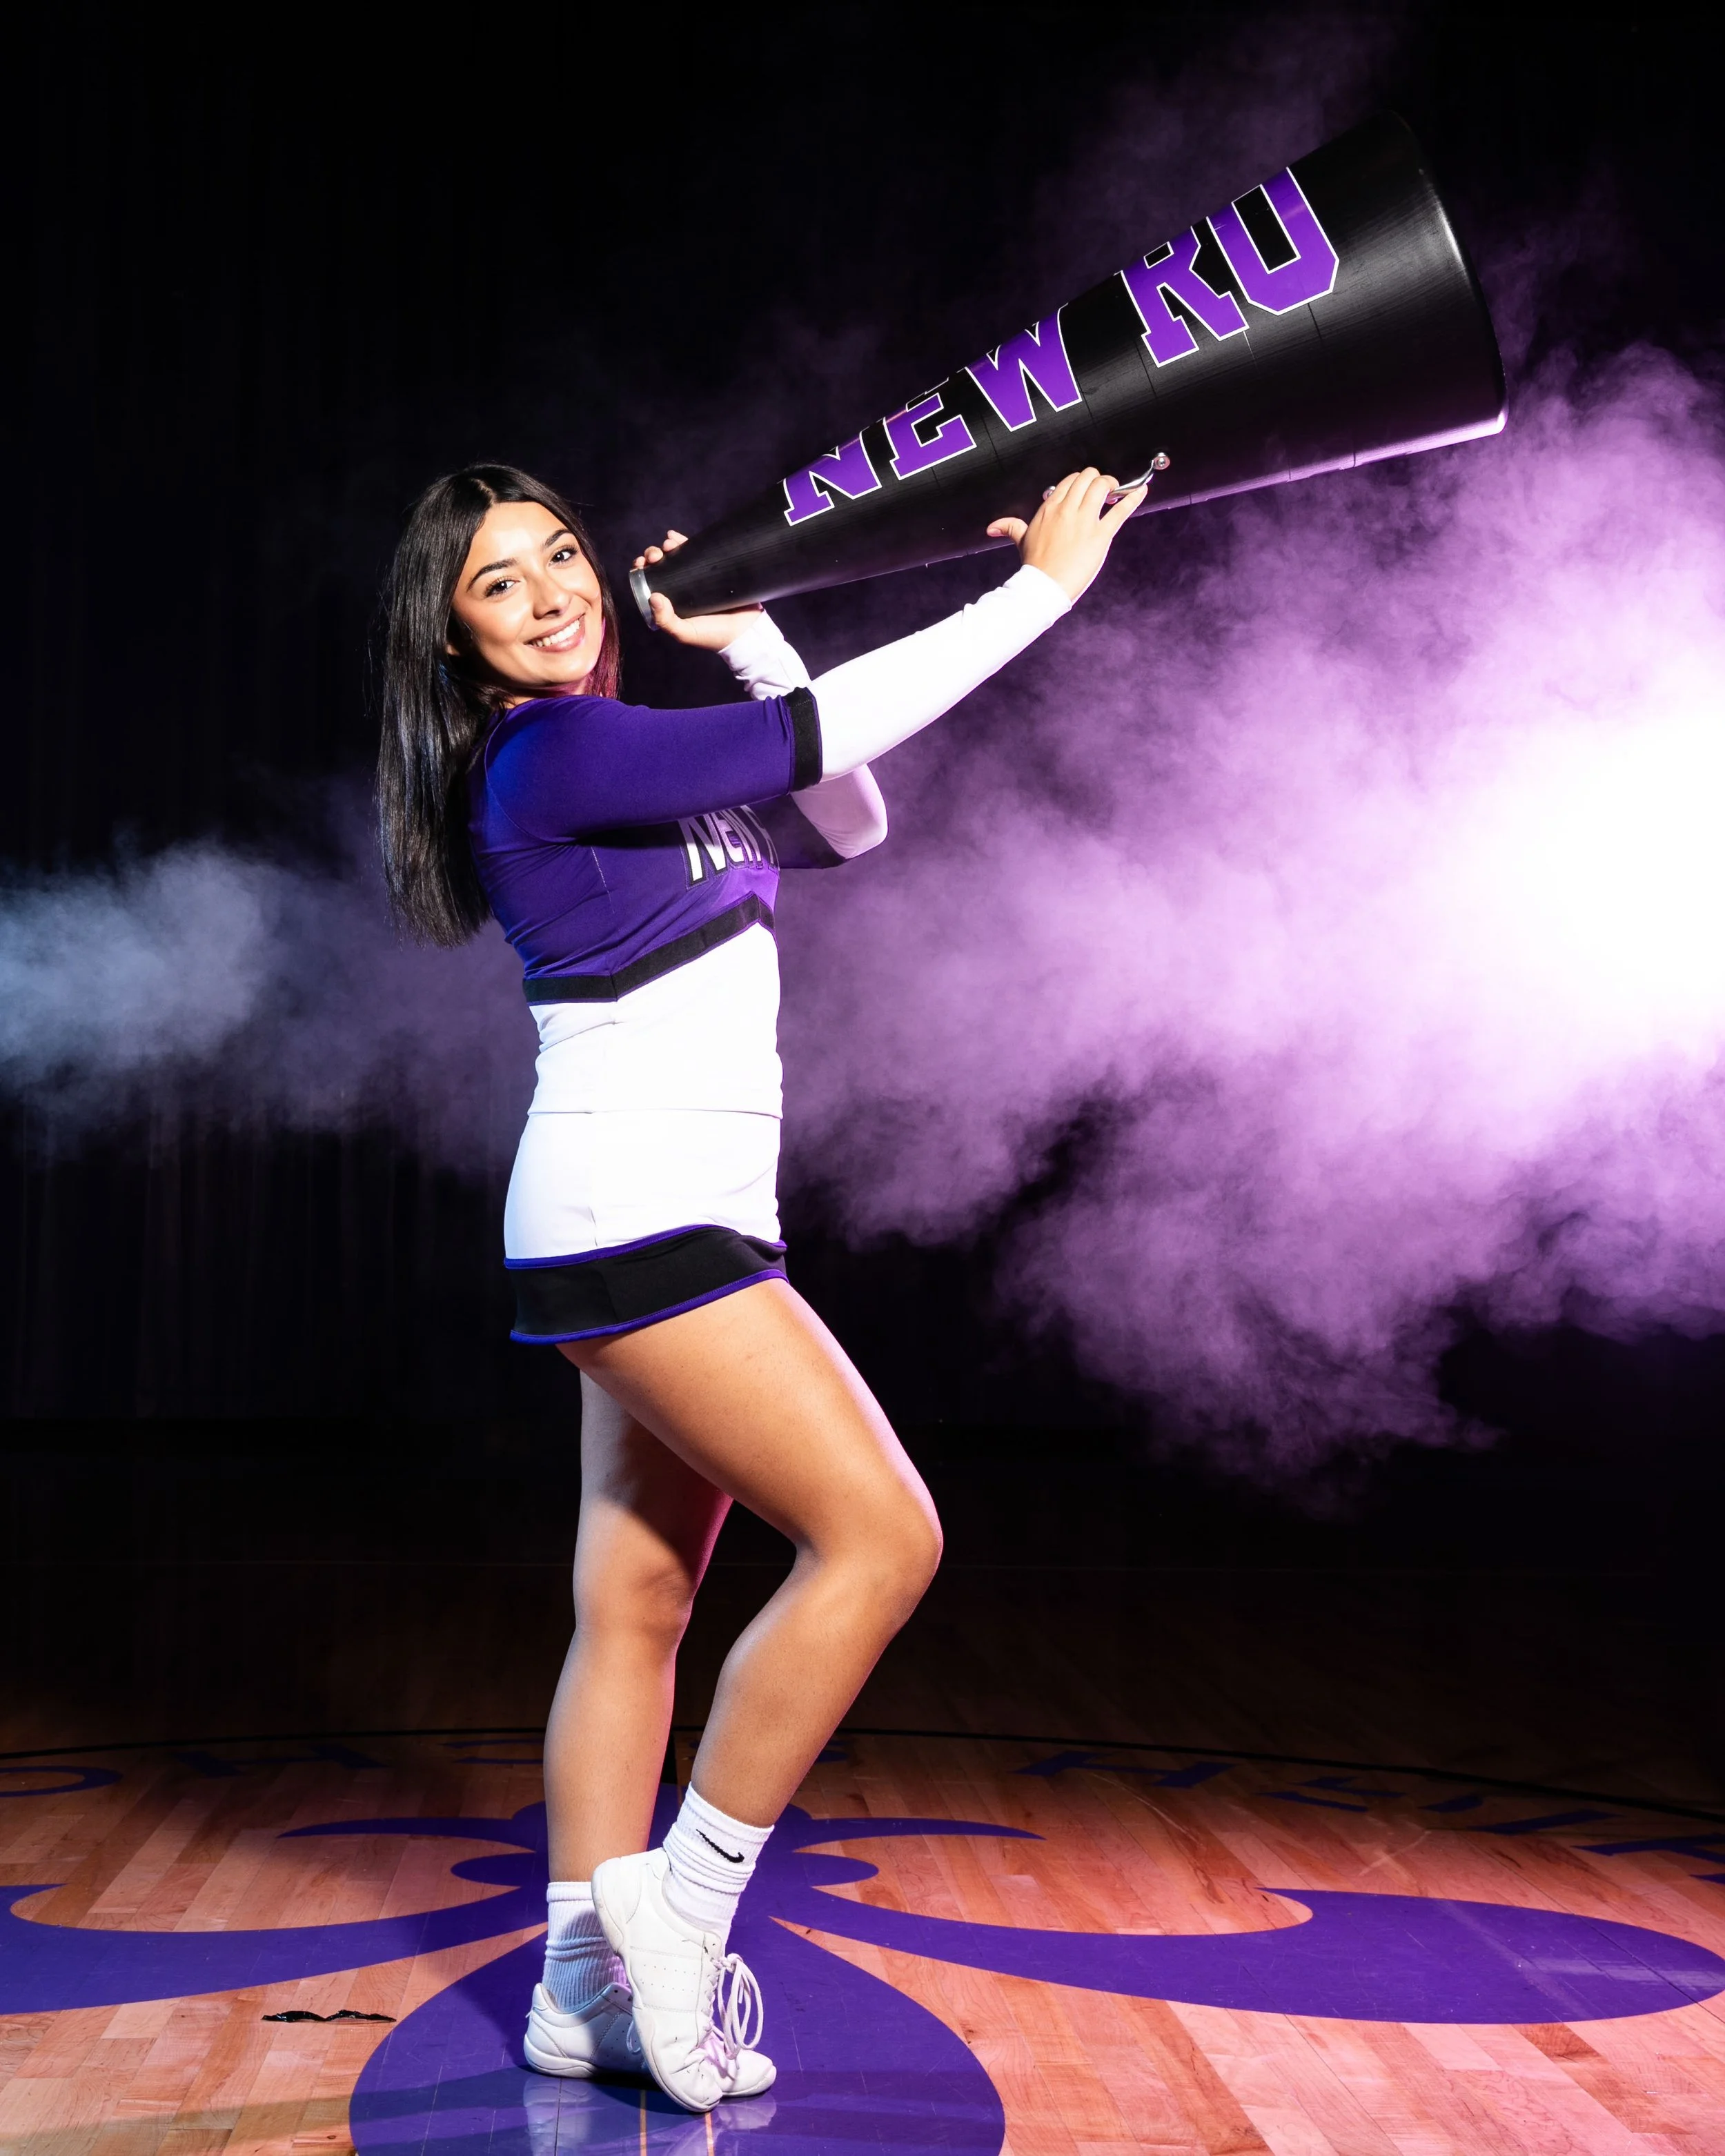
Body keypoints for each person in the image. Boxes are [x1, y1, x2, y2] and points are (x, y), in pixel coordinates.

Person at [375, 461, 1145, 2113]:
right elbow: (825, 733)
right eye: (498, 583)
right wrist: (1038, 591)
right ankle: (680, 1907)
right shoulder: (555, 752)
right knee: (884, 1536)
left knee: (637, 1603)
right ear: (452, 639)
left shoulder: (638, 753)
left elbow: (848, 812)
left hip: (660, 1213)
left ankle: (577, 1990)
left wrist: (745, 636)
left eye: (559, 555)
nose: (552, 593)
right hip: (641, 1214)